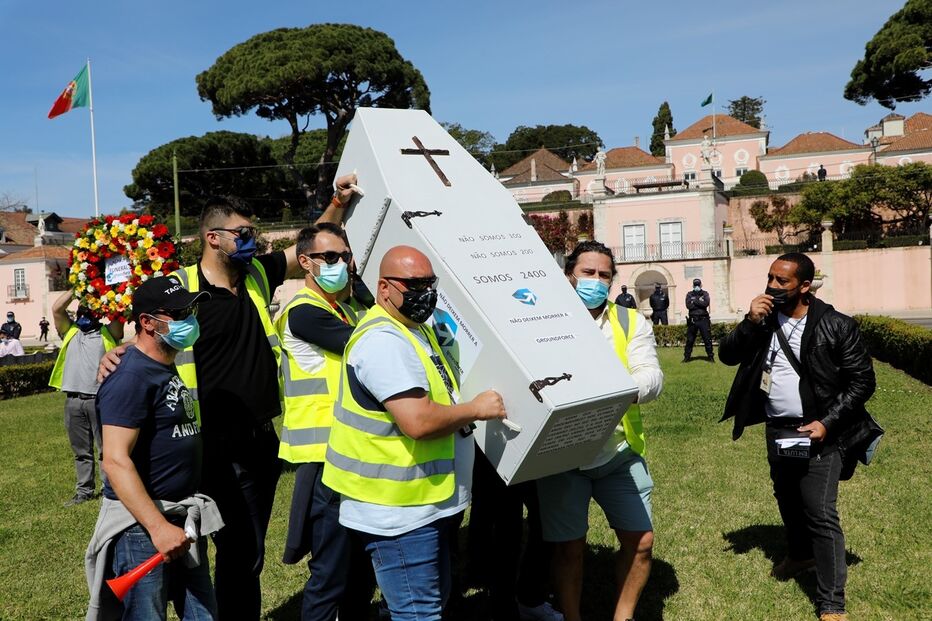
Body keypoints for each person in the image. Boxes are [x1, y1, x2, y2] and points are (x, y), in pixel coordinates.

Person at [99, 175, 359, 619]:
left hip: (258, 444)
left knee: (245, 556)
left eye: (253, 233)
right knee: (184, 556)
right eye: (243, 233)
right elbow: (145, 337)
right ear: (212, 237)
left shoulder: (257, 273)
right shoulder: (182, 289)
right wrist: (115, 354)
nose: (251, 240)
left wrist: (338, 200)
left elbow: (308, 248)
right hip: (201, 446)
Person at [322, 245, 507, 621]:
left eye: (429, 282)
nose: (425, 292)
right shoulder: (384, 342)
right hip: (399, 513)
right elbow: (418, 422)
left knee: (427, 606)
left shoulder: (414, 331)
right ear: (385, 288)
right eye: (414, 284)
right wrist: (477, 409)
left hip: (423, 503)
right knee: (417, 614)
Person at [719, 253, 878, 621]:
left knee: (820, 513)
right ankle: (800, 556)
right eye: (770, 278)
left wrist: (828, 422)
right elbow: (728, 356)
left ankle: (831, 602)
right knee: (787, 498)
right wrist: (749, 322)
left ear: (805, 286)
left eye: (782, 281)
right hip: (779, 428)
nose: (772, 286)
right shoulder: (763, 321)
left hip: (821, 430)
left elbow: (862, 381)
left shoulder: (837, 325)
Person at [537, 240, 663, 621]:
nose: (596, 280)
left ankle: (622, 618)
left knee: (641, 542)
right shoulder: (542, 320)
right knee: (569, 548)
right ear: (568, 274)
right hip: (563, 454)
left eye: (604, 275)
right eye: (587, 273)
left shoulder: (631, 321)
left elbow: (652, 377)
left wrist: (615, 392)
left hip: (618, 453)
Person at [85, 275, 222, 620]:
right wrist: (158, 528)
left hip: (179, 520)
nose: (189, 318)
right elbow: (115, 461)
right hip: (142, 530)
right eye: (179, 312)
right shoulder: (130, 377)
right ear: (147, 322)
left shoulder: (162, 363)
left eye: (191, 309)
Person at [277, 223, 375, 621]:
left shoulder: (343, 307)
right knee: (331, 566)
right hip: (323, 455)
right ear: (305, 262)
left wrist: (364, 295)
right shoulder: (304, 313)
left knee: (359, 564)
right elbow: (370, 344)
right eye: (330, 258)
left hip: (350, 447)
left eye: (346, 257)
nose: (342, 265)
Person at [466, 450, 562, 621]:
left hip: (536, 447)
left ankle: (530, 598)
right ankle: (502, 605)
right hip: (498, 445)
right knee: (506, 522)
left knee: (544, 515)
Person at [49, 291, 125, 506]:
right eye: (80, 310)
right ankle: (84, 491)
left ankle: (110, 490)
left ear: (97, 314)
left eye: (88, 310)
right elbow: (57, 308)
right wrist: (78, 288)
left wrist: (107, 295)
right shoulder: (70, 331)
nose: (83, 314)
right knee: (80, 451)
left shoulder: (107, 332)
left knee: (106, 449)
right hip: (72, 400)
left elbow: (119, 316)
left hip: (100, 399)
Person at [684, 278, 714, 362]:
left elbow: (706, 303)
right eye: (695, 285)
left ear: (701, 285)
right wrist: (700, 302)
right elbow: (688, 306)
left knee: (707, 339)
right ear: (693, 285)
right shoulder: (689, 294)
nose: (697, 286)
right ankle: (687, 357)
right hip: (693, 320)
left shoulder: (705, 293)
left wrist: (694, 301)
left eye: (698, 285)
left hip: (703, 320)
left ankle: (710, 357)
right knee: (690, 340)